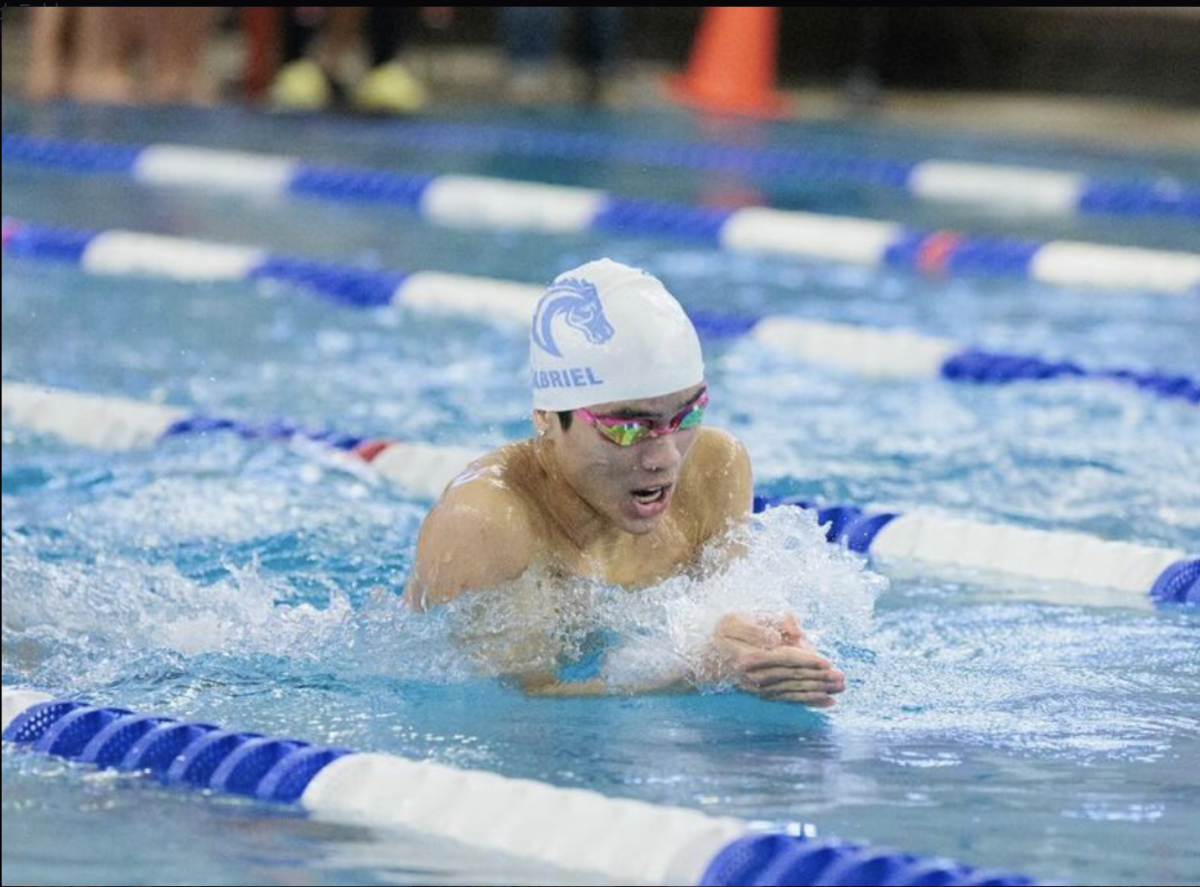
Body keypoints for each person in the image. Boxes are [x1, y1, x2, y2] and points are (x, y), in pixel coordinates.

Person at [404, 259, 845, 706]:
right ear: (546, 417)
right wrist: (697, 673)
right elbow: (517, 710)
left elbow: (722, 615)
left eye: (687, 415)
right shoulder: (488, 524)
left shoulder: (715, 467)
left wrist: (769, 647)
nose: (666, 457)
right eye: (627, 427)